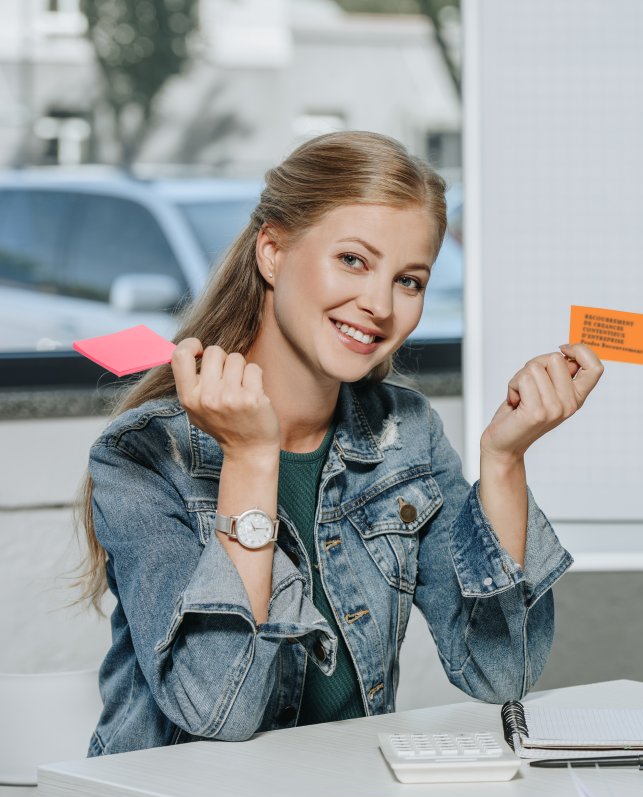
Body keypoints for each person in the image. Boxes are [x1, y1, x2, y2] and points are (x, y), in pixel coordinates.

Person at [76, 131, 603, 756]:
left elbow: (499, 672)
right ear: (272, 252)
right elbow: (219, 708)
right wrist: (249, 459)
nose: (379, 304)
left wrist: (505, 459)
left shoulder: (405, 435)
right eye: (353, 260)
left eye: (409, 281)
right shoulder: (142, 455)